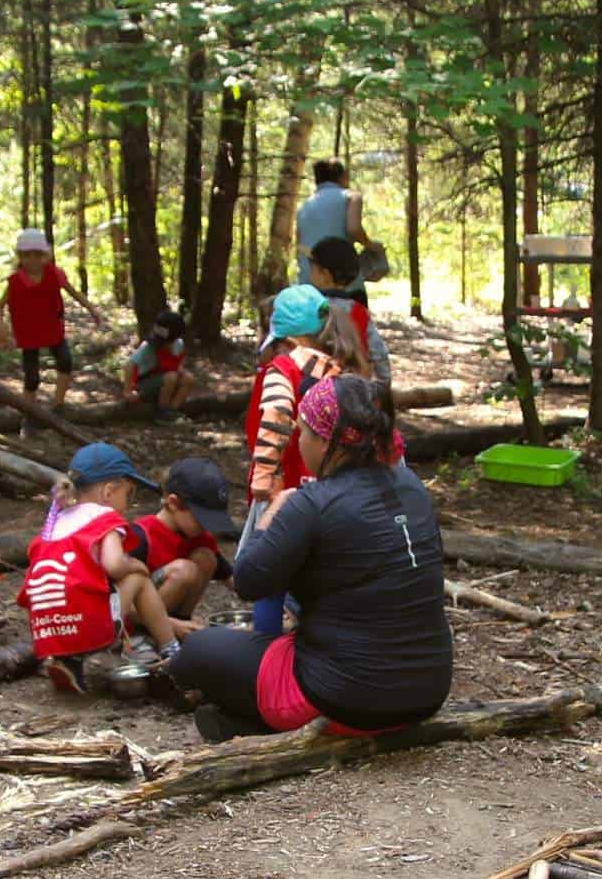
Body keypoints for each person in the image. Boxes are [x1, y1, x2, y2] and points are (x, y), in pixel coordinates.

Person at [169, 376, 452, 742]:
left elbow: (248, 581)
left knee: (198, 650)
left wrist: (267, 522)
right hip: (426, 692)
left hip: (344, 700)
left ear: (325, 440)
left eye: (301, 431)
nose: (298, 441)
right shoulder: (412, 486)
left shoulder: (312, 502)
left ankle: (253, 724)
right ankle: (241, 722)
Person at [18, 442, 198, 695]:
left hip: (46, 629)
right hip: (85, 625)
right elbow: (114, 565)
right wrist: (137, 565)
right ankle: (171, 649)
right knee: (136, 577)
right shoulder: (105, 520)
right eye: (128, 494)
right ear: (109, 491)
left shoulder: (55, 522)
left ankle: (69, 660)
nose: (128, 503)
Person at [240, 284, 339, 635]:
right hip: (321, 489)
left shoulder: (282, 368)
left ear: (280, 335)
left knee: (270, 574)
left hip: (283, 489)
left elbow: (275, 419)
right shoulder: (335, 371)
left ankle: (265, 646)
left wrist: (263, 482)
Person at [0, 228, 105, 403]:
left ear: (44, 255)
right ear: (20, 256)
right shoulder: (16, 281)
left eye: (37, 255)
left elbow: (74, 292)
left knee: (65, 362)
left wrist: (92, 309)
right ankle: (29, 415)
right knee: (32, 378)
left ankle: (58, 405)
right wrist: (0, 326)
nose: (32, 260)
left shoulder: (54, 274)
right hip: (28, 332)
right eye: (27, 255)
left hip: (52, 328)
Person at [135, 456, 239, 623]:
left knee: (206, 558)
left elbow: (233, 580)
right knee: (183, 570)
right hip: (138, 612)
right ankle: (152, 634)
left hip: (170, 618)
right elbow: (119, 602)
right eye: (202, 519)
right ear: (173, 503)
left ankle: (183, 621)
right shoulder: (140, 536)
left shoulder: (199, 537)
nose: (207, 527)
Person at [303, 236, 390, 383]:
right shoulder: (359, 311)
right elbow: (378, 352)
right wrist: (384, 383)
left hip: (314, 387)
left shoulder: (308, 308)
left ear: (325, 275)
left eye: (313, 269)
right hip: (354, 386)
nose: (310, 273)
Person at [293, 158, 386, 284]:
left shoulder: (303, 206)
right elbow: (354, 229)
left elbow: (299, 246)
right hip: (343, 283)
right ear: (343, 177)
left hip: (309, 283)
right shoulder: (351, 197)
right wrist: (372, 246)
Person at [124, 307, 197, 420]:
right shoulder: (148, 347)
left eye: (166, 342)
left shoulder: (179, 344)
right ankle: (161, 412)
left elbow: (180, 360)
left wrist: (181, 370)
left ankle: (173, 410)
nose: (162, 345)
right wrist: (128, 390)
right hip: (144, 384)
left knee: (189, 378)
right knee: (171, 377)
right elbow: (130, 364)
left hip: (165, 381)